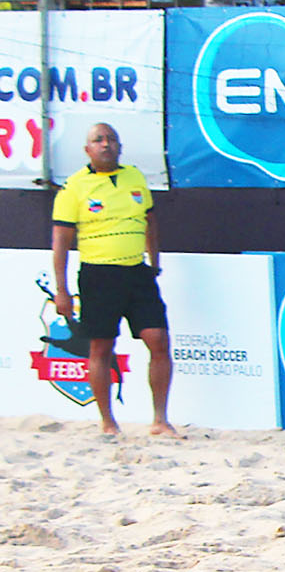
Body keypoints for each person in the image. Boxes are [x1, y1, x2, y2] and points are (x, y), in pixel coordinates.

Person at [49, 123, 178, 438]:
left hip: (136, 271)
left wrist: (154, 262)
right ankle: (108, 422)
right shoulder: (74, 188)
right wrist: (61, 290)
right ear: (87, 149)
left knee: (158, 340)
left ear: (120, 146)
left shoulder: (135, 177)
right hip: (99, 274)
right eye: (98, 140)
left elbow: (150, 220)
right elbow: (61, 241)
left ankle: (160, 420)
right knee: (101, 347)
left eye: (111, 139)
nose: (106, 145)